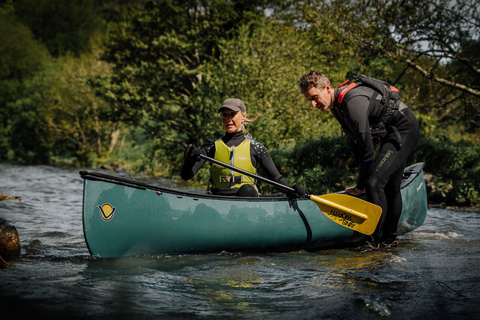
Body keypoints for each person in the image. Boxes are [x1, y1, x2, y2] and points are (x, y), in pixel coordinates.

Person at [298, 71, 420, 250]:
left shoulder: (352, 103)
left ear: (327, 88)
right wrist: (360, 182)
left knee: (374, 184)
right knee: (390, 186)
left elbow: (368, 154)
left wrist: (360, 186)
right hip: (391, 132)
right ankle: (389, 241)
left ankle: (373, 242)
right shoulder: (337, 106)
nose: (313, 104)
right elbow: (357, 145)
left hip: (404, 129)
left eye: (315, 98)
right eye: (309, 100)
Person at [181, 98, 306, 197]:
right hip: (218, 200)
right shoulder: (210, 146)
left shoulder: (256, 147)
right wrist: (190, 160)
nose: (228, 119)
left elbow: (276, 179)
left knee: (246, 189)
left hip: (246, 201)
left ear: (244, 116)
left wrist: (291, 190)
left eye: (232, 114)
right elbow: (186, 176)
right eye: (224, 115)